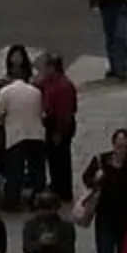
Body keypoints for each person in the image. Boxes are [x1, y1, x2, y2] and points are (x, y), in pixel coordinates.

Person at [0, 64, 48, 208]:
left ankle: (12, 201)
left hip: (16, 136)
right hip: (36, 135)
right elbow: (42, 114)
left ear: (10, 77)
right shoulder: (36, 92)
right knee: (37, 169)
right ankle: (39, 198)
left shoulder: (5, 92)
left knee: (15, 170)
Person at [36, 50, 81, 205]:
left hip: (60, 125)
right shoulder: (49, 81)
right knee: (53, 158)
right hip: (51, 122)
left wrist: (59, 132)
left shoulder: (63, 86)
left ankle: (64, 191)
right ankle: (56, 184)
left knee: (61, 159)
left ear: (54, 68)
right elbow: (38, 86)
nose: (44, 69)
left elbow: (66, 113)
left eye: (47, 66)